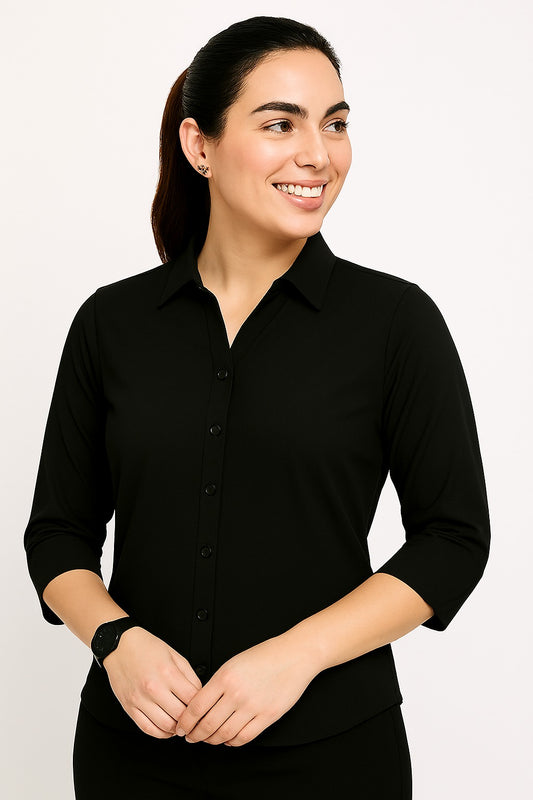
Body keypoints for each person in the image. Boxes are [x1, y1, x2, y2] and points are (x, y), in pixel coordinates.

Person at [23, 15, 491, 800]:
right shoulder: (112, 322)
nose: (318, 154)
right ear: (198, 146)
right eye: (281, 123)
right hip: (131, 754)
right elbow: (57, 533)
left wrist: (296, 655)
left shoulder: (394, 323)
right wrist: (115, 640)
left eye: (334, 124)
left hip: (333, 754)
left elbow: (452, 539)